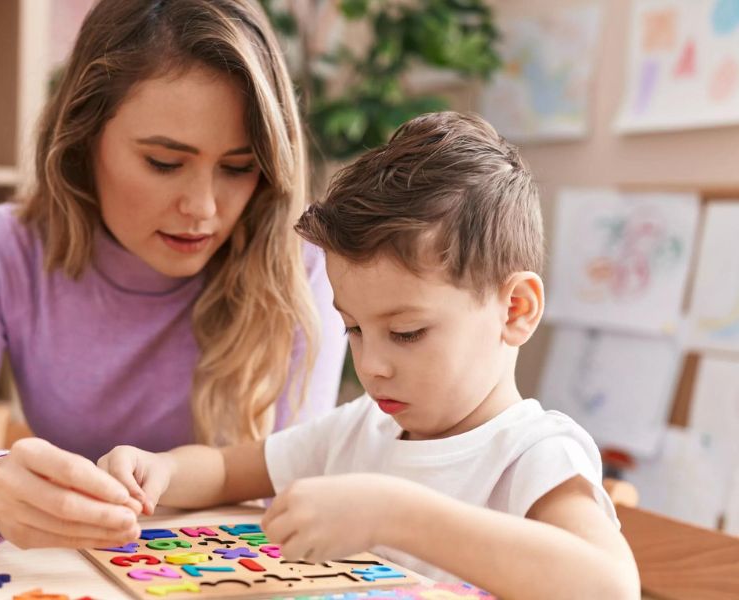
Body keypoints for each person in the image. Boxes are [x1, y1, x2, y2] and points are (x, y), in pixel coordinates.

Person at [0, 0, 346, 552]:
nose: (204, 207)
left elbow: (300, 491)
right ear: (85, 139)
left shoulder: (302, 267)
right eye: (164, 162)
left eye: (238, 166)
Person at [98, 112, 641, 599]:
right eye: (354, 328)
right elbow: (223, 471)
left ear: (515, 309)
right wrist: (159, 470)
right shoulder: (361, 429)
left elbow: (609, 587)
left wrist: (393, 513)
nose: (372, 365)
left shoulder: (533, 453)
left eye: (406, 332)